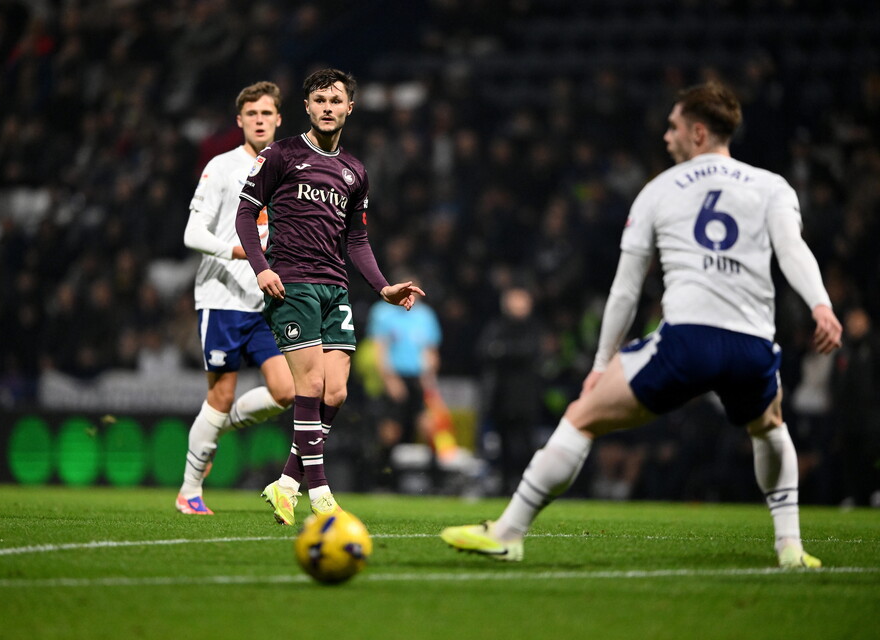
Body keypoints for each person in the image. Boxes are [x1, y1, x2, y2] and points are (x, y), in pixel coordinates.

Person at [441, 82, 843, 568]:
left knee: (582, 416)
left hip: (688, 341)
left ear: (697, 132)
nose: (666, 136)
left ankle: (507, 531)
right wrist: (821, 305)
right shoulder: (770, 185)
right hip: (752, 347)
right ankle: (790, 548)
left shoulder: (659, 190)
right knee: (770, 426)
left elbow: (626, 291)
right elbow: (793, 250)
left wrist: (601, 363)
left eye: (673, 127)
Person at [235, 68, 424, 524]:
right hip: (291, 283)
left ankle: (285, 484)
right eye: (319, 100)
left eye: (335, 101)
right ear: (307, 107)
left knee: (336, 394)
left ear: (349, 109)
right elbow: (246, 215)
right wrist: (262, 268)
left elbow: (356, 242)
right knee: (311, 386)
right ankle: (320, 492)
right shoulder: (281, 155)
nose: (327, 107)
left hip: (335, 285)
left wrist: (383, 287)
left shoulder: (355, 171)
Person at [175, 81, 295, 515]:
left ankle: (215, 431)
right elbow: (191, 234)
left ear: (279, 118)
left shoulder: (288, 171)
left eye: (267, 113)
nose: (260, 120)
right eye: (252, 114)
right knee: (221, 395)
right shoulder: (221, 167)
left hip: (265, 302)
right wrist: (242, 251)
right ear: (240, 121)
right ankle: (189, 490)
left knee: (286, 390)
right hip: (222, 297)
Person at [367, 277, 442, 485]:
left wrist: (429, 381)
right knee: (391, 431)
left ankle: (434, 481)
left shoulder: (426, 316)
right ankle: (381, 478)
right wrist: (389, 379)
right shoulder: (382, 313)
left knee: (429, 428)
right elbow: (379, 350)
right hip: (395, 377)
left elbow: (431, 352)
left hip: (418, 378)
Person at [476, 285, 546, 495]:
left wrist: (502, 351)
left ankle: (527, 486)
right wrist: (505, 352)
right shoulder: (496, 326)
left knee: (525, 443)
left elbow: (529, 352)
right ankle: (505, 485)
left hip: (525, 396)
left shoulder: (534, 328)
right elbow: (482, 351)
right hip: (501, 396)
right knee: (503, 444)